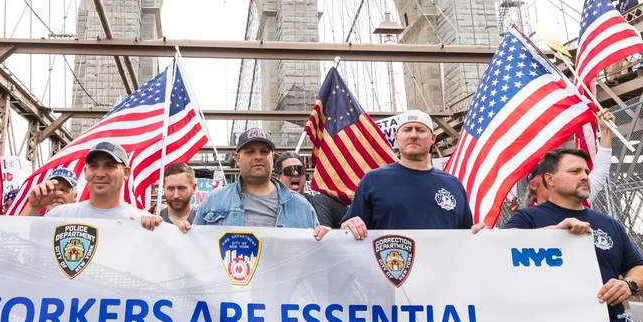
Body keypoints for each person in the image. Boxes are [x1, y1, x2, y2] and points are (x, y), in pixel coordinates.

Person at [504, 147, 643, 322]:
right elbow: (500, 253)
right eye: (574, 171)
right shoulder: (527, 219)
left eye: (585, 171)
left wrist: (627, 284)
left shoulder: (608, 223)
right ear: (549, 178)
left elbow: (639, 268)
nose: (584, 176)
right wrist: (553, 234)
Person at [322, 110, 480, 240]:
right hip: (392, 274)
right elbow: (349, 229)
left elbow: (466, 236)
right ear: (396, 137)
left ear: (432, 138)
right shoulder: (373, 180)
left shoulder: (453, 185)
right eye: (407, 129)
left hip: (443, 275)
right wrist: (347, 226)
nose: (413, 135)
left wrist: (483, 234)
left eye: (420, 129)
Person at [187, 128, 318, 231]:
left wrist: (326, 237)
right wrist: (180, 232)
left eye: (264, 152)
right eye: (250, 152)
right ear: (237, 158)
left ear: (272, 157)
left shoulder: (302, 207)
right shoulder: (214, 201)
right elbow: (195, 248)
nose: (258, 157)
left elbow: (316, 256)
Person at [33, 141, 161, 228]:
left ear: (126, 173)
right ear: (85, 172)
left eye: (109, 166)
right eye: (94, 166)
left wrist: (158, 232)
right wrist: (32, 207)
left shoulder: (141, 221)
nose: (100, 173)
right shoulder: (60, 214)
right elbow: (19, 244)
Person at [524, 110, 617, 208]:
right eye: (545, 174)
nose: (585, 177)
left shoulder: (576, 197)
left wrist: (606, 130)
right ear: (533, 185)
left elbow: (600, 170)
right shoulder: (526, 218)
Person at [275, 152, 347, 228]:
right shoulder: (272, 208)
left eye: (300, 170)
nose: (295, 173)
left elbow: (353, 220)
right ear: (278, 178)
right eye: (288, 170)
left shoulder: (322, 201)